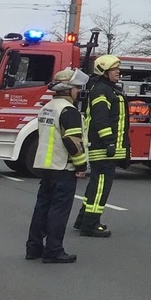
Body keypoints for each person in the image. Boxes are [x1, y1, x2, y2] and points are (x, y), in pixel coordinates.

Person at [26, 69, 88, 264]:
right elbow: (72, 141)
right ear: (68, 90)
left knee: (42, 208)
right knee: (58, 211)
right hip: (63, 167)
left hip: (46, 165)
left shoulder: (47, 107)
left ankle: (33, 247)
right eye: (76, 88)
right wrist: (81, 165)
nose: (78, 91)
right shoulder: (69, 111)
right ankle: (54, 250)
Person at [74, 54, 128, 238]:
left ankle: (83, 219)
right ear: (104, 71)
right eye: (114, 69)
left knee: (96, 185)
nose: (118, 72)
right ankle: (90, 224)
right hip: (104, 149)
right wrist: (109, 142)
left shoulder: (107, 89)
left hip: (106, 148)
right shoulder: (102, 90)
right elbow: (101, 119)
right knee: (100, 187)